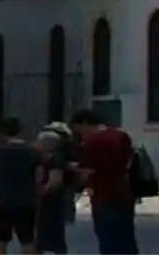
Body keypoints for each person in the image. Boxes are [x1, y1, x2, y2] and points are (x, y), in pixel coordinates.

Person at [68, 109, 138, 255]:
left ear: (85, 123)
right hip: (124, 192)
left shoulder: (93, 142)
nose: (81, 134)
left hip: (104, 195)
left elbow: (88, 169)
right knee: (126, 238)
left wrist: (72, 169)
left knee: (108, 239)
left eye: (79, 130)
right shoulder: (122, 135)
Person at [0, 117, 41, 253]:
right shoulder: (32, 152)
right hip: (27, 200)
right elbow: (38, 178)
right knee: (27, 239)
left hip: (3, 200)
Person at [34, 124, 76, 255]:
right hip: (48, 202)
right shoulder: (46, 158)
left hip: (53, 202)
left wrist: (41, 191)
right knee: (41, 236)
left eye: (39, 142)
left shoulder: (56, 158)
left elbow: (55, 181)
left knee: (53, 235)